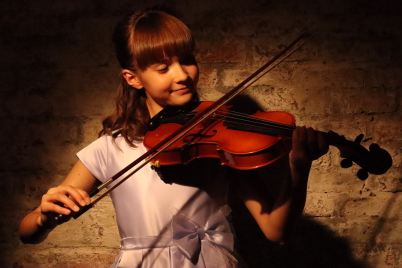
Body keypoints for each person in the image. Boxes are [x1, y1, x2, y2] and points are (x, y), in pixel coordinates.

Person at [19, 8, 328, 268]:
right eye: (163, 67)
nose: (181, 75)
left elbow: (277, 231)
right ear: (133, 77)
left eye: (187, 60)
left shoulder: (220, 141)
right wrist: (45, 215)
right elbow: (27, 233)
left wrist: (298, 168)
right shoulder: (109, 148)